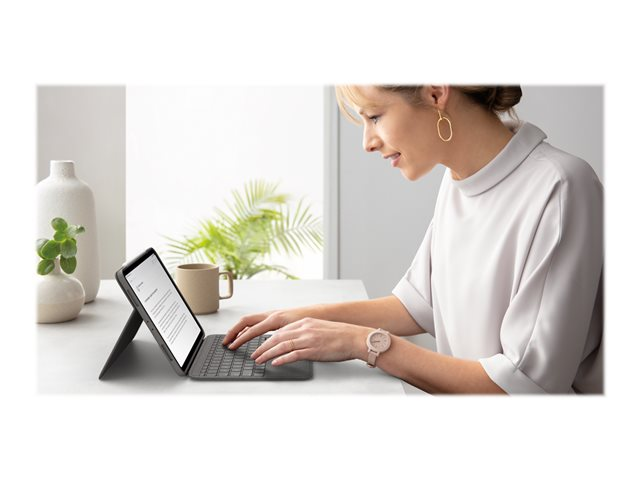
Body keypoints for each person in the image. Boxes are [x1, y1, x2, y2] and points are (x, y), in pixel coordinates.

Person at [222, 85, 603, 394]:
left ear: (436, 92)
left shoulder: (560, 187)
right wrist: (302, 319)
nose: (367, 142)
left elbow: (524, 386)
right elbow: (417, 305)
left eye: (374, 116)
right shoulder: (460, 180)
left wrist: (363, 344)